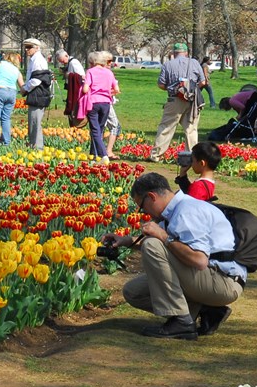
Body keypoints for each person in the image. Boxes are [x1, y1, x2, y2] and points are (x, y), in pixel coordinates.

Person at [101, 172, 245, 340]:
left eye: (142, 207)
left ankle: (182, 322)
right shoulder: (175, 210)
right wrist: (126, 240)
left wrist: (162, 236)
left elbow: (199, 260)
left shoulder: (187, 211)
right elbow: (173, 247)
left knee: (152, 244)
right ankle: (208, 310)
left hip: (223, 282)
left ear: (152, 197)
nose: (144, 213)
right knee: (133, 292)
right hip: (209, 278)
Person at [150, 41, 206, 160]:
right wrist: (190, 91)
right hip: (193, 101)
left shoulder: (168, 65)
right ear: (186, 53)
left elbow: (161, 84)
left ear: (174, 53)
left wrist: (175, 89)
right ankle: (193, 156)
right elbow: (203, 82)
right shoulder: (195, 63)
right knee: (191, 129)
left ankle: (156, 155)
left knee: (166, 127)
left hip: (174, 99)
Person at [85, 51, 119, 159]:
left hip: (93, 103)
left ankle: (103, 154)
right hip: (106, 103)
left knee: (95, 130)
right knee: (99, 128)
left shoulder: (90, 72)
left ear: (92, 61)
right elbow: (116, 89)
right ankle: (93, 154)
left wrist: (85, 88)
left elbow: (85, 89)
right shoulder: (109, 72)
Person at [21, 38, 52, 150]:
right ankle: (34, 145)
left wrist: (25, 89)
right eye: (26, 47)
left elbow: (37, 80)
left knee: (35, 121)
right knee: (33, 121)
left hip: (38, 93)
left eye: (29, 47)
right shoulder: (34, 59)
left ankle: (37, 147)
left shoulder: (38, 60)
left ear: (37, 48)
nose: (26, 49)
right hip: (36, 93)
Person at [0, 53, 23, 145]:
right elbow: (22, 85)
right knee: (6, 118)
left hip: (0, 90)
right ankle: (7, 141)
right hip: (12, 93)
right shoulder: (17, 70)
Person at [57, 50, 87, 127]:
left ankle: (77, 124)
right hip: (71, 88)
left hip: (77, 90)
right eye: (61, 62)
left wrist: (68, 75)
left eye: (63, 60)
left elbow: (81, 76)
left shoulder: (74, 62)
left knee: (74, 108)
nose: (63, 62)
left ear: (66, 56)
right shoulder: (69, 63)